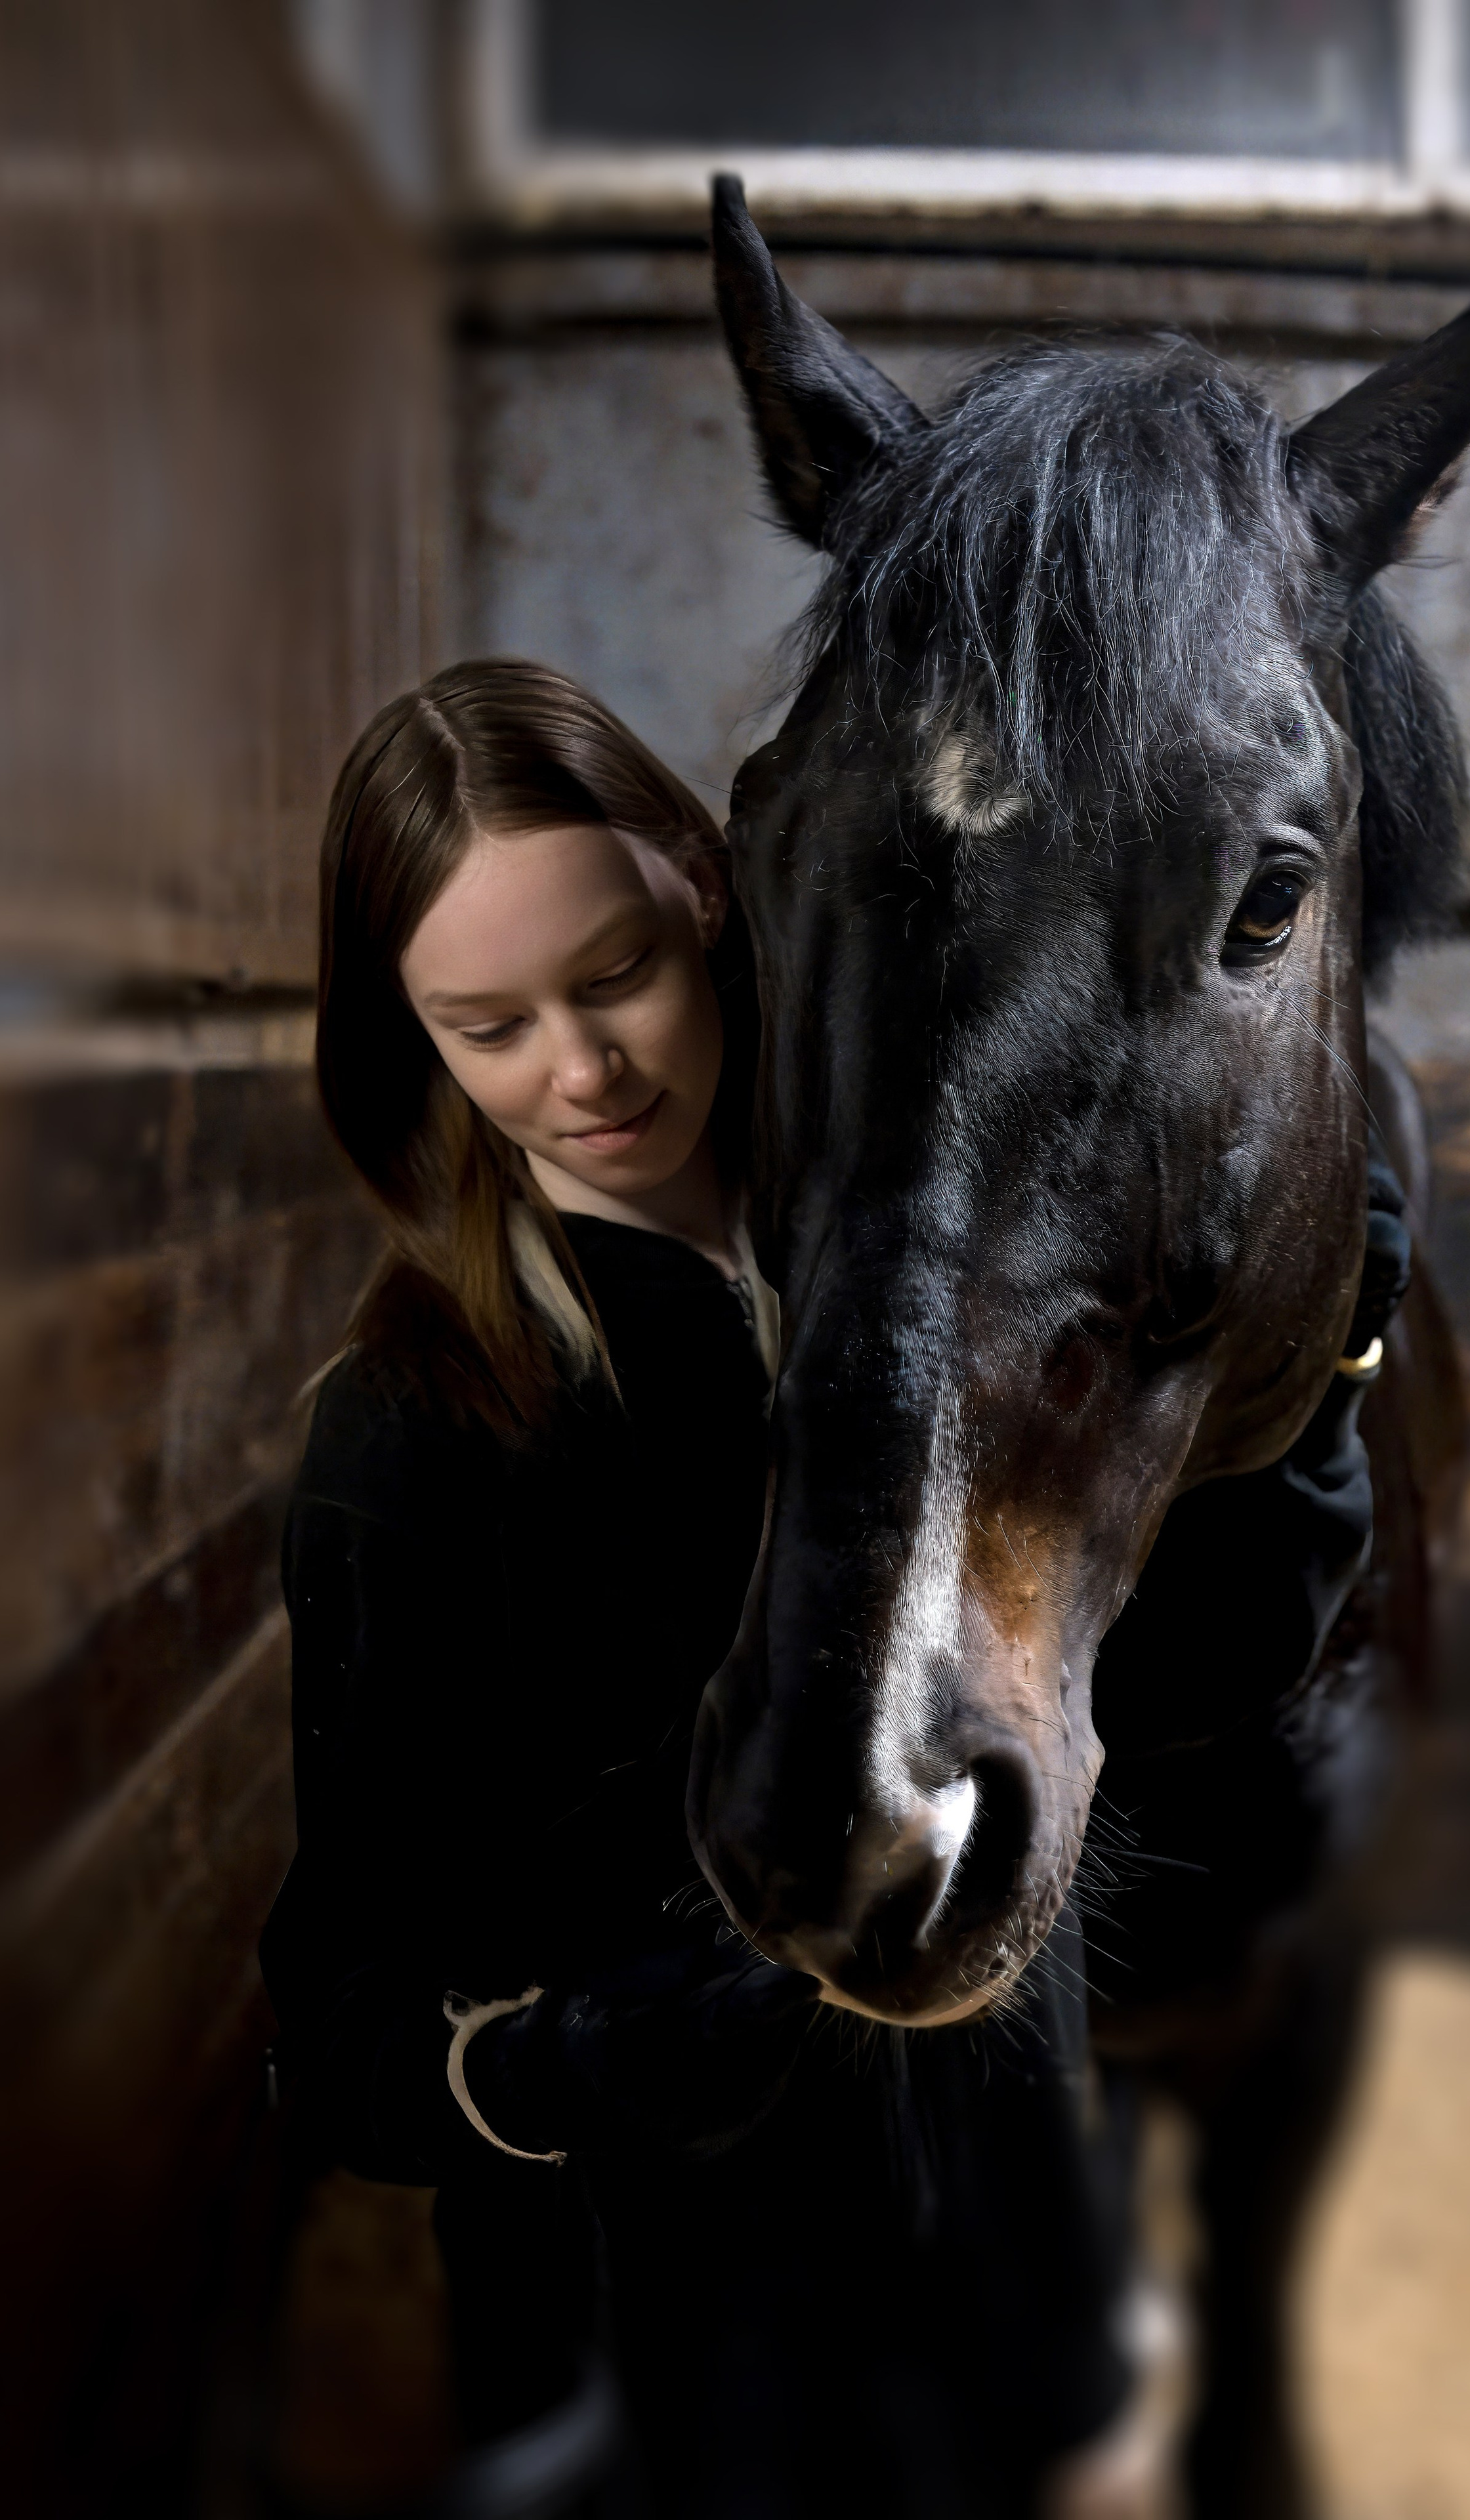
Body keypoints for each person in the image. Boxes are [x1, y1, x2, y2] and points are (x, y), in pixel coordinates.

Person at [259, 660, 1127, 2518]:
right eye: (486, 1027)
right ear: (409, 1039)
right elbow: (336, 2043)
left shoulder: (933, 1281)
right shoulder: (411, 1438)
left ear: (701, 884)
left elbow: (1156, 1705)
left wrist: (1337, 1355)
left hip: (999, 2289)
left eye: (615, 976)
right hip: (649, 2376)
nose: (581, 1075)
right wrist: (569, 2063)